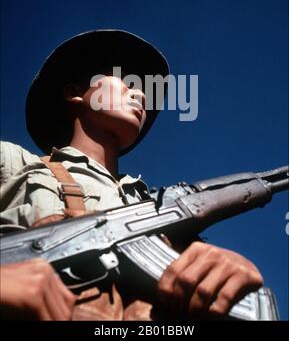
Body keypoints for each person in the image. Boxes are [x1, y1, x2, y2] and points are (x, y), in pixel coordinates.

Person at [0, 29, 263, 320]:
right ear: (74, 93)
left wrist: (230, 276)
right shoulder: (16, 163)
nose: (139, 92)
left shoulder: (161, 209)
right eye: (123, 79)